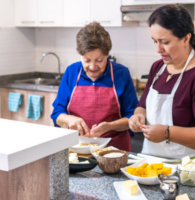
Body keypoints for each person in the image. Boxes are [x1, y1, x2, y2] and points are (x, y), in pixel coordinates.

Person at [128, 5, 195, 168]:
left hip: (190, 170)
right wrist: (138, 116)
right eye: (155, 41)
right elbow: (142, 106)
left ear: (185, 38)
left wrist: (167, 133)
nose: (158, 49)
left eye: (165, 42)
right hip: (153, 165)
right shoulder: (158, 68)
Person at [51, 22, 138, 151]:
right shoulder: (71, 72)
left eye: (99, 60)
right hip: (76, 149)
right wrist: (68, 119)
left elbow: (133, 118)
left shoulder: (121, 74)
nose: (92, 67)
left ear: (107, 55)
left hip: (114, 151)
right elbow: (57, 113)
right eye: (86, 60)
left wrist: (109, 126)